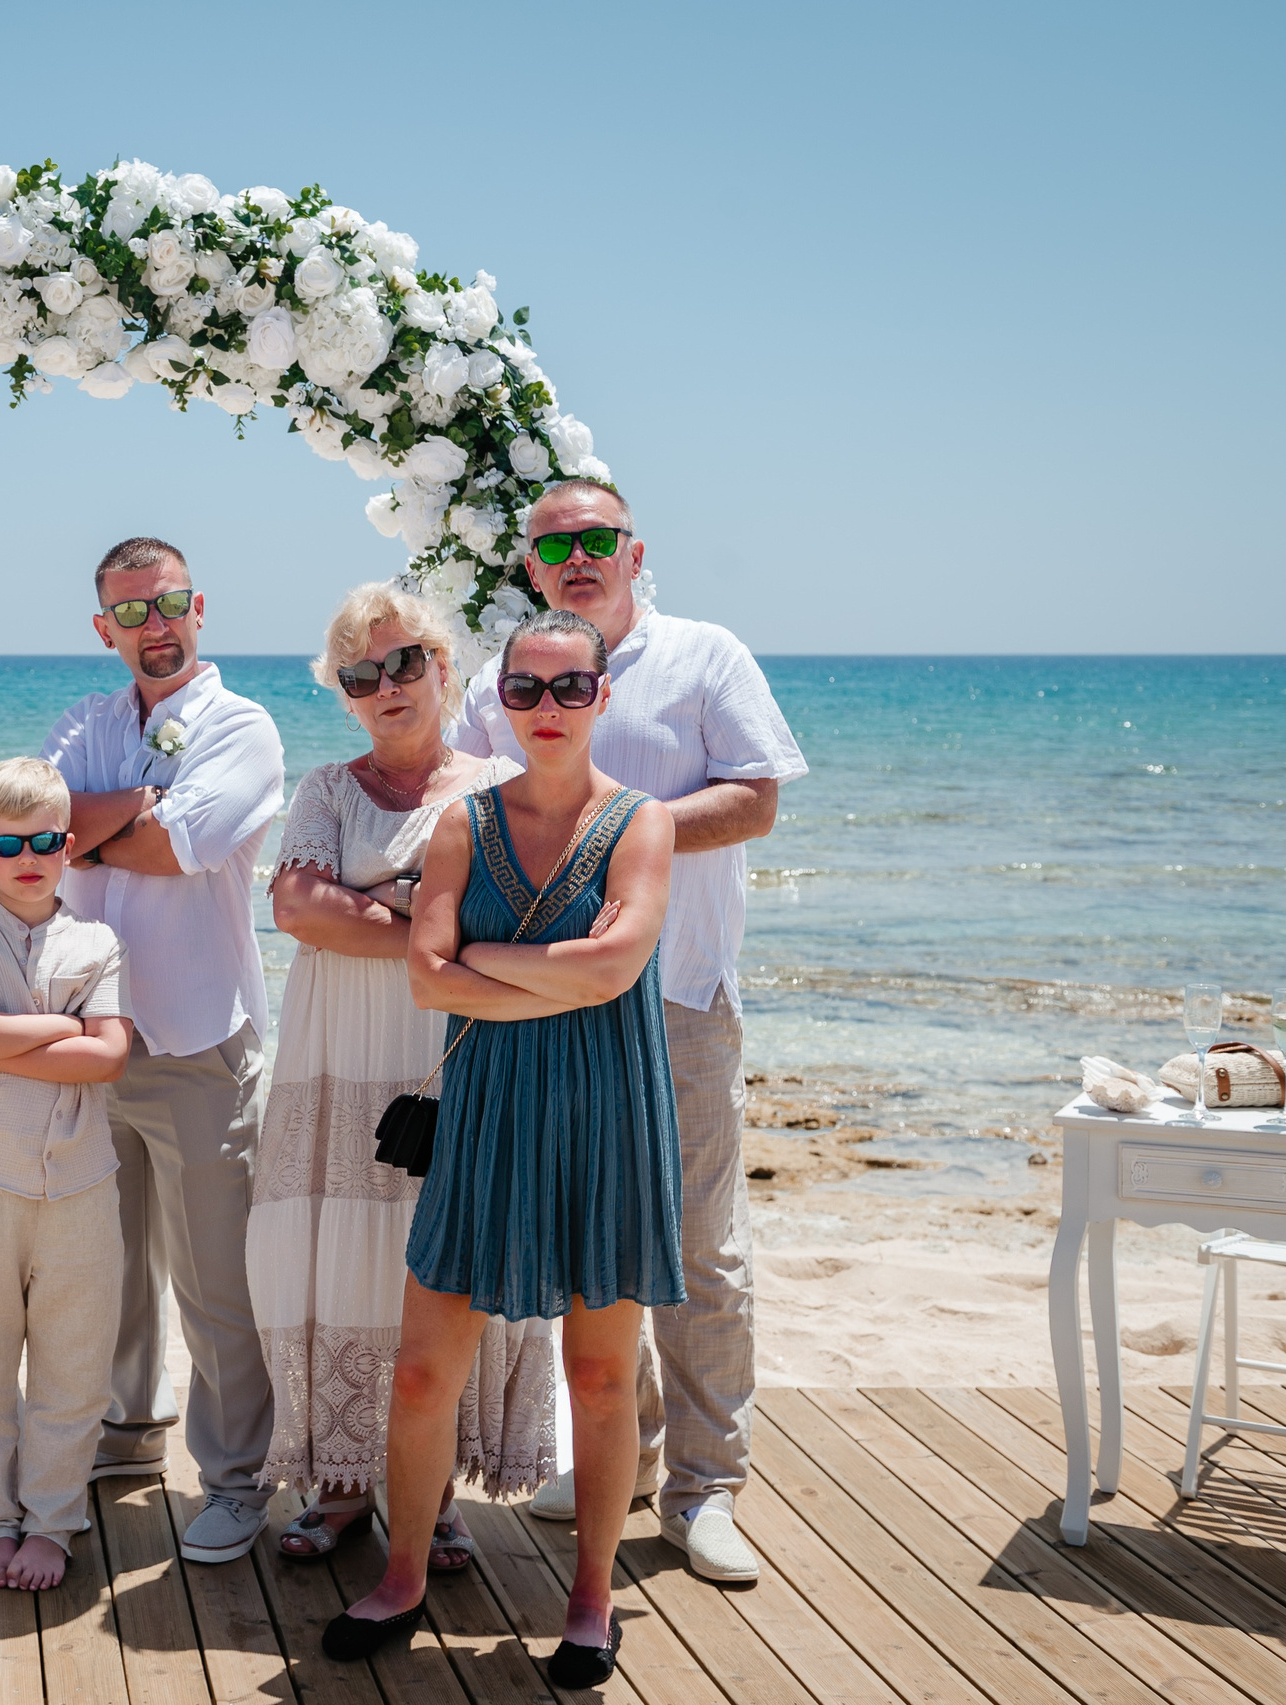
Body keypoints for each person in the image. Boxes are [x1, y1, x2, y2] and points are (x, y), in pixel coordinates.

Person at [448, 480, 807, 1584]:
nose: (580, 556)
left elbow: (755, 798)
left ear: (634, 552)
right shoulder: (500, 679)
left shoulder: (704, 655)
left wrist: (617, 841)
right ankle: (630, 1460)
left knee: (700, 1247)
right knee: (599, 1244)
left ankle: (708, 1488)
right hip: (541, 1004)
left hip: (678, 993)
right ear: (530, 567)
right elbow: (462, 803)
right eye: (556, 545)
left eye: (598, 538)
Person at [325, 608, 678, 1687]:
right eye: (524, 688)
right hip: (484, 1118)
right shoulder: (461, 826)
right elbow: (426, 978)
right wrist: (560, 972)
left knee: (600, 1375)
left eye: (570, 687)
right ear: (500, 699)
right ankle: (401, 1577)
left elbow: (615, 969)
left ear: (602, 695)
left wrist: (488, 956)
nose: (546, 707)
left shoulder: (643, 824)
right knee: (422, 1372)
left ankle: (589, 1599)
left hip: (608, 1118)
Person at [251, 585, 555, 1568]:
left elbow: (520, 916)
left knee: (439, 1264)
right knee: (342, 1256)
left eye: (404, 663)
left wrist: (374, 897)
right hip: (341, 1060)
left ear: (444, 668)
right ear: (343, 693)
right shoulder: (325, 790)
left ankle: (435, 1497)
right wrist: (430, 918)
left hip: (459, 1059)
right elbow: (299, 910)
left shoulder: (502, 783)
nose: (385, 685)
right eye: (360, 674)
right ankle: (342, 1485)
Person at [42, 536, 287, 1564]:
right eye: (133, 611)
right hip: (90, 1032)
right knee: (106, 1264)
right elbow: (31, 826)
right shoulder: (85, 721)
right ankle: (127, 1428)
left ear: (200, 606)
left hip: (198, 1037)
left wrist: (93, 826)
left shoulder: (242, 725)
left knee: (216, 1279)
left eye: (170, 603)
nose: (157, 625)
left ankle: (236, 1476)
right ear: (104, 627)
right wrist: (118, 814)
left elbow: (180, 847)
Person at [0, 758, 133, 1592]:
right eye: (7, 844)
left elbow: (109, 1058)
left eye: (44, 841)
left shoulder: (98, 941)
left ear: (68, 845)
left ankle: (51, 1521)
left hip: (81, 1181)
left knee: (72, 1366)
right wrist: (62, 1028)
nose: (27, 857)